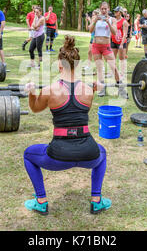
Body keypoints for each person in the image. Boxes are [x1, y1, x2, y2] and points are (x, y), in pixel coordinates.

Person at [23, 35, 111, 216]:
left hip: (58, 157)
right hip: (89, 154)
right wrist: (97, 86)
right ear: (77, 66)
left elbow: (35, 109)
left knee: (28, 155)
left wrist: (32, 93)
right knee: (102, 152)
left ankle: (41, 201)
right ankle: (96, 201)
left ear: (59, 65)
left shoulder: (50, 90)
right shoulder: (88, 90)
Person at [88, 1, 128, 99]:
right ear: (100, 9)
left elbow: (114, 32)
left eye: (106, 9)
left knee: (113, 67)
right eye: (102, 9)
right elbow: (90, 30)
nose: (104, 10)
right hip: (96, 46)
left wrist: (108, 23)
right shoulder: (95, 18)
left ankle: (121, 89)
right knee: (99, 68)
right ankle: (101, 89)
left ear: (108, 9)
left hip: (106, 46)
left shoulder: (112, 19)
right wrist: (95, 21)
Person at [110, 6, 129, 82]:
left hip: (121, 42)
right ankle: (114, 73)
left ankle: (122, 74)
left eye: (116, 11)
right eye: (114, 11)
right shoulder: (113, 20)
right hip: (114, 41)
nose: (115, 13)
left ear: (120, 12)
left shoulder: (124, 22)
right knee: (112, 58)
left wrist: (121, 44)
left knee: (122, 59)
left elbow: (125, 34)